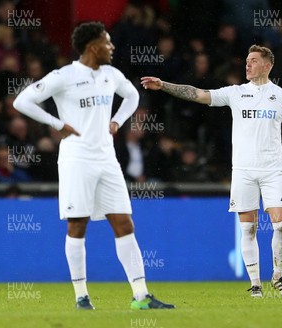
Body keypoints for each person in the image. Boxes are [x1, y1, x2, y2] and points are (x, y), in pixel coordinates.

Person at [13, 22, 174, 310]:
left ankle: (141, 296)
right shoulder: (65, 76)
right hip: (77, 159)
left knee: (124, 222)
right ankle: (81, 297)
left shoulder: (111, 75)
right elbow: (23, 101)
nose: (112, 48)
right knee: (78, 224)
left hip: (107, 159)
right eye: (107, 42)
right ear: (92, 46)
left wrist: (117, 121)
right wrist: (57, 123)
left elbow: (133, 96)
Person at [141, 45, 282, 297]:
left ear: (268, 65)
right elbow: (198, 94)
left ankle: (278, 276)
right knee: (248, 229)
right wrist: (164, 84)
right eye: (246, 60)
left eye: (253, 60)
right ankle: (255, 284)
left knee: (281, 224)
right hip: (242, 171)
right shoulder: (236, 93)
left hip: (273, 169)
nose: (247, 65)